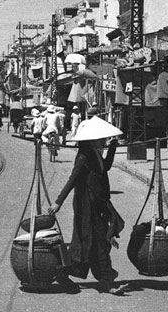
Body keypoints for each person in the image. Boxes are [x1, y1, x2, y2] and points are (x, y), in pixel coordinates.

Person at [48, 116, 126, 295]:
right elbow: (73, 179)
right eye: (102, 139)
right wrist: (58, 202)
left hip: (98, 204)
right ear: (92, 139)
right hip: (86, 207)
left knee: (97, 242)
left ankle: (105, 280)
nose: (103, 141)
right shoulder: (83, 156)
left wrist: (112, 148)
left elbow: (104, 167)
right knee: (90, 243)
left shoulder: (95, 152)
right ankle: (68, 272)